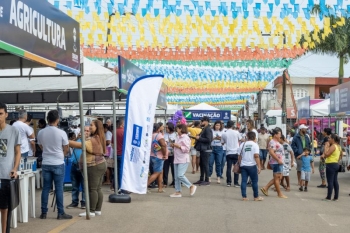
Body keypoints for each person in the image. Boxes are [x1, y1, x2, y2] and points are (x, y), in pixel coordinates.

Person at [37, 110, 72, 220]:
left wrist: (47, 152)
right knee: (59, 189)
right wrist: (62, 154)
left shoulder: (41, 132)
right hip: (58, 163)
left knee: (46, 188)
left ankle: (43, 213)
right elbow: (66, 148)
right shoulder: (61, 133)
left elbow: (40, 145)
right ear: (57, 120)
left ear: (48, 119)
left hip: (46, 162)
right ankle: (60, 213)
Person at [69, 120, 107, 216]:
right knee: (97, 188)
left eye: (91, 125)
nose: (89, 127)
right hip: (100, 165)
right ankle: (97, 210)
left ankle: (91, 211)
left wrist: (67, 141)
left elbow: (80, 146)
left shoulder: (93, 139)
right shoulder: (99, 137)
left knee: (92, 189)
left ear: (97, 127)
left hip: (94, 166)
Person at [0, 103, 21, 233]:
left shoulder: (13, 131)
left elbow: (18, 151)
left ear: (6, 114)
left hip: (6, 175)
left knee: (5, 208)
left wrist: (15, 168)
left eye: (0, 114)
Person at [169, 124, 197, 197]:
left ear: (181, 129)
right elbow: (177, 146)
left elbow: (187, 149)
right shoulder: (177, 137)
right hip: (177, 158)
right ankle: (178, 191)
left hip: (183, 158)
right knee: (176, 176)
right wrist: (173, 145)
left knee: (180, 175)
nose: (176, 130)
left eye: (177, 128)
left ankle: (191, 186)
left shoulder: (185, 137)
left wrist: (178, 146)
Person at [66, 126, 90, 210]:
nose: (86, 132)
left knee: (84, 186)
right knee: (74, 186)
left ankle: (84, 202)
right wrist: (76, 138)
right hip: (75, 165)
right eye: (85, 131)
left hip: (84, 166)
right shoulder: (78, 140)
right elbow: (69, 144)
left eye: (88, 131)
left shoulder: (90, 141)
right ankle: (74, 202)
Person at [260, 128, 287, 199]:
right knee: (277, 178)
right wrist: (278, 160)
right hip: (276, 162)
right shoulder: (273, 142)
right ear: (275, 135)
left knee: (278, 177)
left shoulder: (276, 142)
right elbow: (271, 152)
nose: (280, 135)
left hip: (278, 162)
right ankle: (279, 193)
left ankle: (266, 188)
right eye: (279, 134)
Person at [239, 132, 263, 201]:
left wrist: (240, 164)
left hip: (244, 165)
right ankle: (256, 196)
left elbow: (239, 155)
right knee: (254, 181)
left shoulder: (243, 144)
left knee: (244, 181)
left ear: (247, 136)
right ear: (254, 137)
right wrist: (259, 166)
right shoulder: (255, 145)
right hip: (252, 165)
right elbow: (256, 156)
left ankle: (244, 196)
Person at [147, 123, 167, 193]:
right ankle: (145, 186)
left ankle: (160, 188)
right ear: (158, 129)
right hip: (158, 156)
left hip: (152, 155)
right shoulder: (159, 136)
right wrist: (164, 155)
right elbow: (163, 145)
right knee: (157, 172)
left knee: (160, 172)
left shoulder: (150, 135)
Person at [193, 116, 213, 186]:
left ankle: (207, 179)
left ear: (206, 121)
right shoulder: (204, 129)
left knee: (205, 164)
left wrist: (199, 138)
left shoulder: (207, 129)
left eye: (202, 121)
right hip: (202, 149)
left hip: (206, 149)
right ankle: (201, 179)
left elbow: (209, 140)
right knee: (201, 164)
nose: (201, 122)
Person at [221, 120, 242, 187]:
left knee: (228, 168)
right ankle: (236, 183)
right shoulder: (236, 132)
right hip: (236, 152)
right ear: (233, 125)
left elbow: (222, 142)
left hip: (228, 152)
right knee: (236, 167)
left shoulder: (224, 133)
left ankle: (228, 182)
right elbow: (240, 139)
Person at [321, 134, 341, 201]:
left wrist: (326, 147)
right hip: (335, 164)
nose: (328, 139)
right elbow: (340, 156)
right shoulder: (338, 146)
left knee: (330, 181)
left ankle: (328, 197)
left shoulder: (333, 146)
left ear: (333, 139)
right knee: (335, 181)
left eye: (329, 138)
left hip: (331, 164)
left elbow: (326, 154)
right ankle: (336, 197)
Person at [163, 122, 176, 187]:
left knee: (174, 168)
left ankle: (174, 181)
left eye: (167, 127)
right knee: (165, 168)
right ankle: (165, 182)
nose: (166, 128)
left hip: (173, 153)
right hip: (166, 152)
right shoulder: (165, 134)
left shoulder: (175, 134)